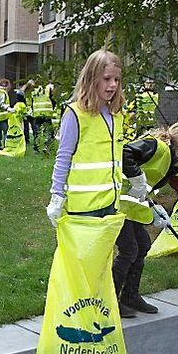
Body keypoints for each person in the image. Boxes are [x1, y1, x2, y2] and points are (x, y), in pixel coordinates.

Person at [115, 121, 178, 317]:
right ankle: (111, 301)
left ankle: (130, 296)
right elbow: (125, 152)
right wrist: (136, 178)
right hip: (117, 206)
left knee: (142, 245)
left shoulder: (169, 163)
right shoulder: (158, 147)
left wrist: (156, 209)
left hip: (132, 209)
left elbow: (146, 189)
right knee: (129, 250)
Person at [47, 49, 127, 229]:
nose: (113, 85)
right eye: (107, 79)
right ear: (92, 79)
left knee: (103, 257)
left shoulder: (116, 115)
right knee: (81, 257)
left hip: (110, 203)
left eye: (117, 80)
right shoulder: (75, 114)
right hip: (84, 207)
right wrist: (56, 196)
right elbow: (63, 157)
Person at [28, 81, 56, 152]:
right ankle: (46, 146)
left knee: (37, 131)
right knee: (49, 131)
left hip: (37, 113)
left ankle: (36, 148)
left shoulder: (34, 91)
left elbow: (30, 101)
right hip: (47, 113)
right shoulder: (48, 88)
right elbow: (54, 98)